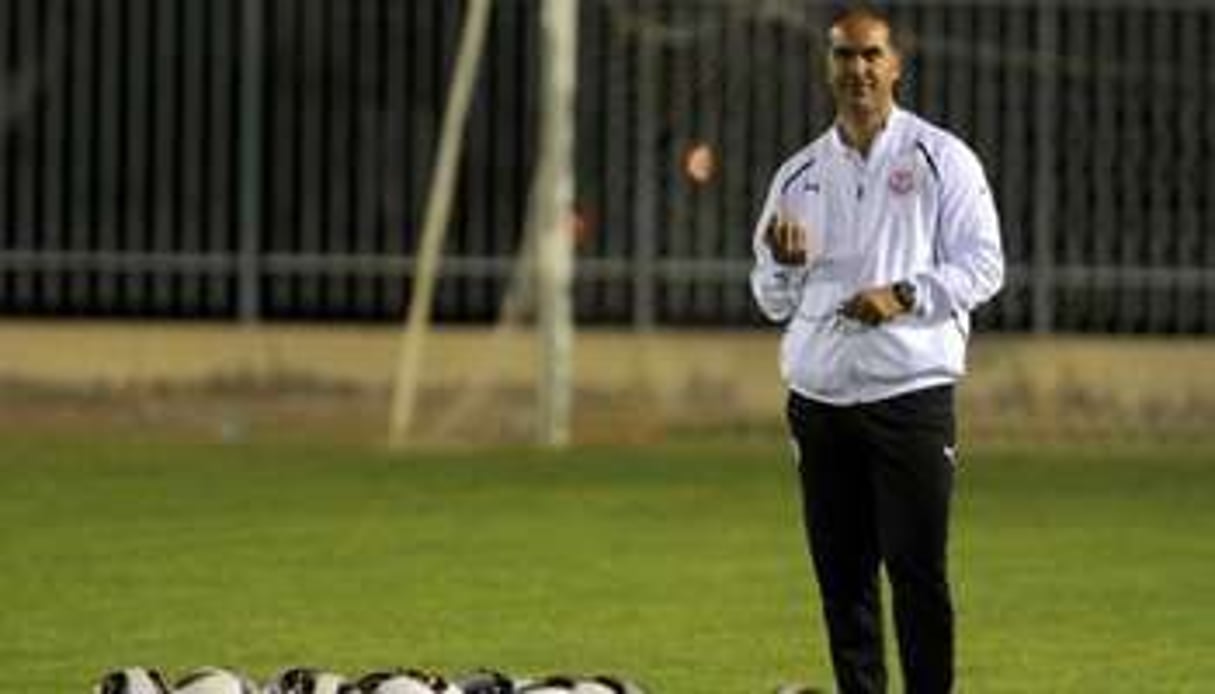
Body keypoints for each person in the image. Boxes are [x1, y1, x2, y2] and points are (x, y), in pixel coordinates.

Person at [750, 5, 1005, 693]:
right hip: (819, 403)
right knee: (842, 579)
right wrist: (782, 266)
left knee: (917, 572)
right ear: (826, 66)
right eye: (843, 56)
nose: (857, 69)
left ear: (896, 64)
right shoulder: (796, 176)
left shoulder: (940, 157)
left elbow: (984, 267)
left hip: (909, 398)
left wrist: (905, 294)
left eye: (870, 55)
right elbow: (770, 300)